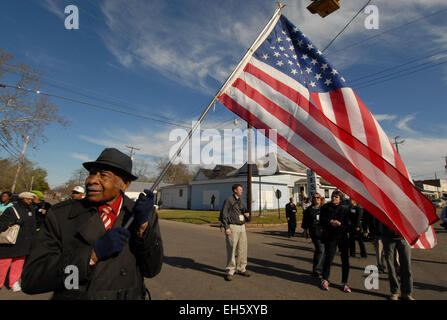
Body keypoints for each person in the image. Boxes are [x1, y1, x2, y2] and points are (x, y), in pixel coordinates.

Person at [21, 148, 163, 299]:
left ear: (124, 184)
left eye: (103, 175)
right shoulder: (60, 215)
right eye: (92, 173)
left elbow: (151, 270)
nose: (91, 180)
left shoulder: (140, 215)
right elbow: (32, 280)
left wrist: (143, 229)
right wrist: (91, 256)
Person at [0, 192, 37, 292]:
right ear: (22, 199)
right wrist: (13, 222)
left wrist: (34, 239)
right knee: (4, 264)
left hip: (24, 242)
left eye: (31, 199)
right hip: (11, 242)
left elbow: (33, 226)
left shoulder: (31, 210)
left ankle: (14, 282)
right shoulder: (12, 209)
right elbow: (1, 224)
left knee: (19, 264)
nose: (30, 201)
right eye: (27, 199)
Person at [320, 191, 352, 293]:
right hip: (330, 236)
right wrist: (330, 222)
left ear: (340, 199)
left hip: (342, 236)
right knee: (329, 257)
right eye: (333, 196)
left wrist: (340, 224)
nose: (334, 198)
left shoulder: (345, 209)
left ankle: (344, 282)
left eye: (336, 197)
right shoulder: (325, 207)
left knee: (345, 260)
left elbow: (349, 224)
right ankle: (325, 279)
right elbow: (321, 220)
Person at [220, 184, 251, 281]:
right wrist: (226, 227)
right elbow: (223, 214)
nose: (242, 191)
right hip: (232, 227)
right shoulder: (229, 200)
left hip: (242, 227)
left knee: (243, 248)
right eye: (240, 189)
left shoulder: (241, 201)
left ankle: (242, 268)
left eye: (242, 189)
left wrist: (247, 215)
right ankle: (230, 270)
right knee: (232, 249)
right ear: (235, 190)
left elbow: (244, 211)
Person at [379, 221, 415, 300]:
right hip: (388, 237)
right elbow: (377, 217)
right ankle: (395, 291)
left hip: (404, 237)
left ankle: (407, 293)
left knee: (406, 266)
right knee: (391, 268)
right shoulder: (385, 208)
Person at [301, 193, 325, 277]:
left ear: (320, 198)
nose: (316, 199)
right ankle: (317, 270)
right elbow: (305, 221)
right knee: (320, 249)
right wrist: (305, 231)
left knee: (320, 251)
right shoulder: (309, 209)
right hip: (314, 232)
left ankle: (317, 267)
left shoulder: (324, 208)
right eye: (314, 198)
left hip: (324, 232)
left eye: (318, 197)